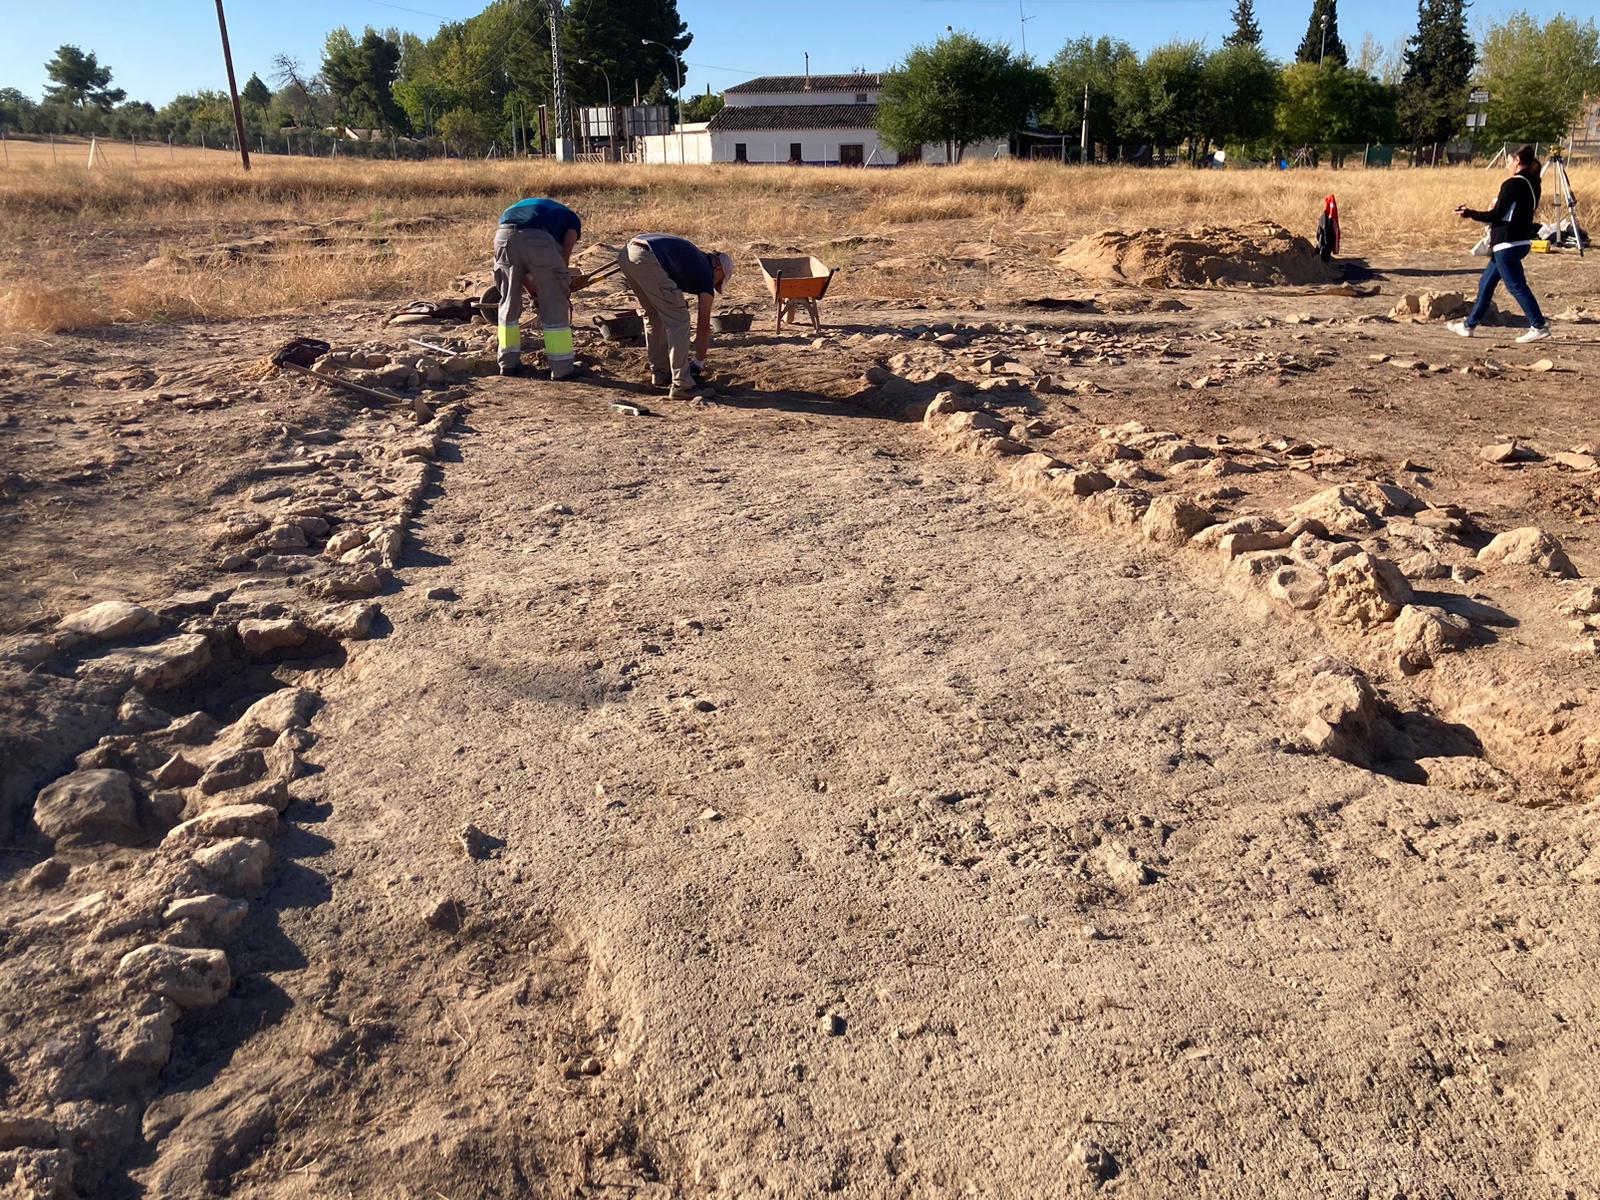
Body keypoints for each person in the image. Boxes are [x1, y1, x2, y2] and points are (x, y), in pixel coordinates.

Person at [1448, 145, 1551, 343]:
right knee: (1486, 283)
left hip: (1507, 244)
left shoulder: (1511, 184)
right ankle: (1469, 325)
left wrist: (1469, 213)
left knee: (1517, 287)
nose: (1508, 165)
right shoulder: (1533, 184)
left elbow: (1496, 215)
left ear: (1517, 161)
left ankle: (1539, 325)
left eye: (1509, 161)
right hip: (1520, 242)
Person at [614, 234, 734, 399]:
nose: (715, 286)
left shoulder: (694, 257)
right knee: (679, 319)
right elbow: (704, 325)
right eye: (719, 282)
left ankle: (661, 372)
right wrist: (698, 363)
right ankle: (682, 384)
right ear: (718, 268)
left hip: (628, 254)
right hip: (648, 259)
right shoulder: (706, 274)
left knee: (654, 315)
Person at [493, 197, 582, 379]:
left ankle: (508, 364)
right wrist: (561, 278)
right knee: (555, 305)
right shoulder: (572, 219)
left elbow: (522, 271)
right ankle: (562, 368)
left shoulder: (515, 208)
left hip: (503, 237)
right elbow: (567, 249)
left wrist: (534, 292)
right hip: (538, 240)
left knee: (508, 301)